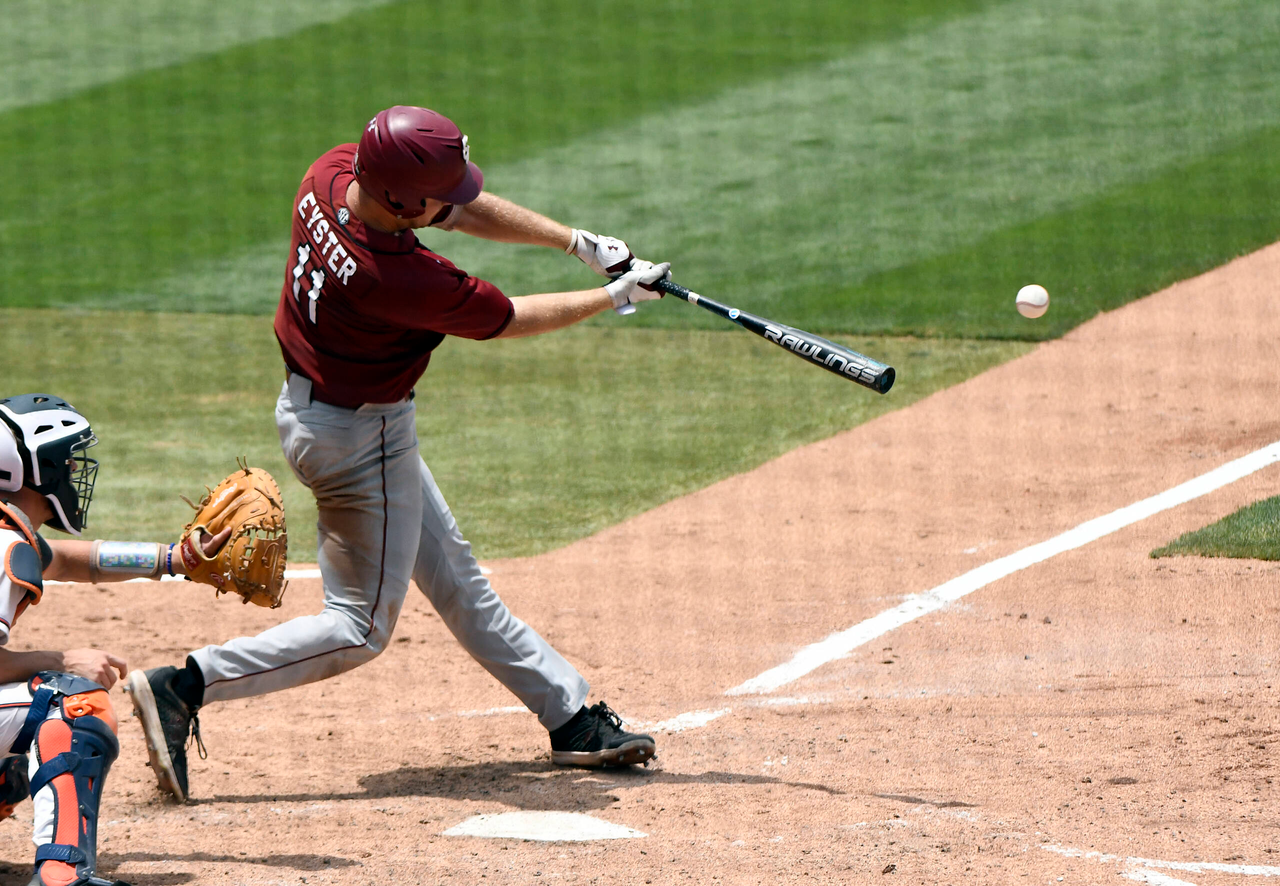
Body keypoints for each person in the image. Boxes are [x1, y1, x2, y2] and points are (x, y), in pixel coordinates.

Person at [126, 105, 670, 804]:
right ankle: (184, 685)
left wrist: (577, 242)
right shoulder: (395, 278)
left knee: (456, 576)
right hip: (361, 442)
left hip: (318, 413)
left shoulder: (330, 174)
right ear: (399, 199)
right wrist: (611, 296)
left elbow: (457, 212)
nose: (454, 198)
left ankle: (569, 719)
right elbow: (509, 319)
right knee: (359, 629)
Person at [0, 393, 225, 886]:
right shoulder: (3, 545)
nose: (78, 470)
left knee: (17, 762)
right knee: (71, 703)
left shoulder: (11, 534)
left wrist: (174, 559)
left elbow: (72, 560)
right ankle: (63, 877)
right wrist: (64, 658)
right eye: (70, 458)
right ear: (38, 467)